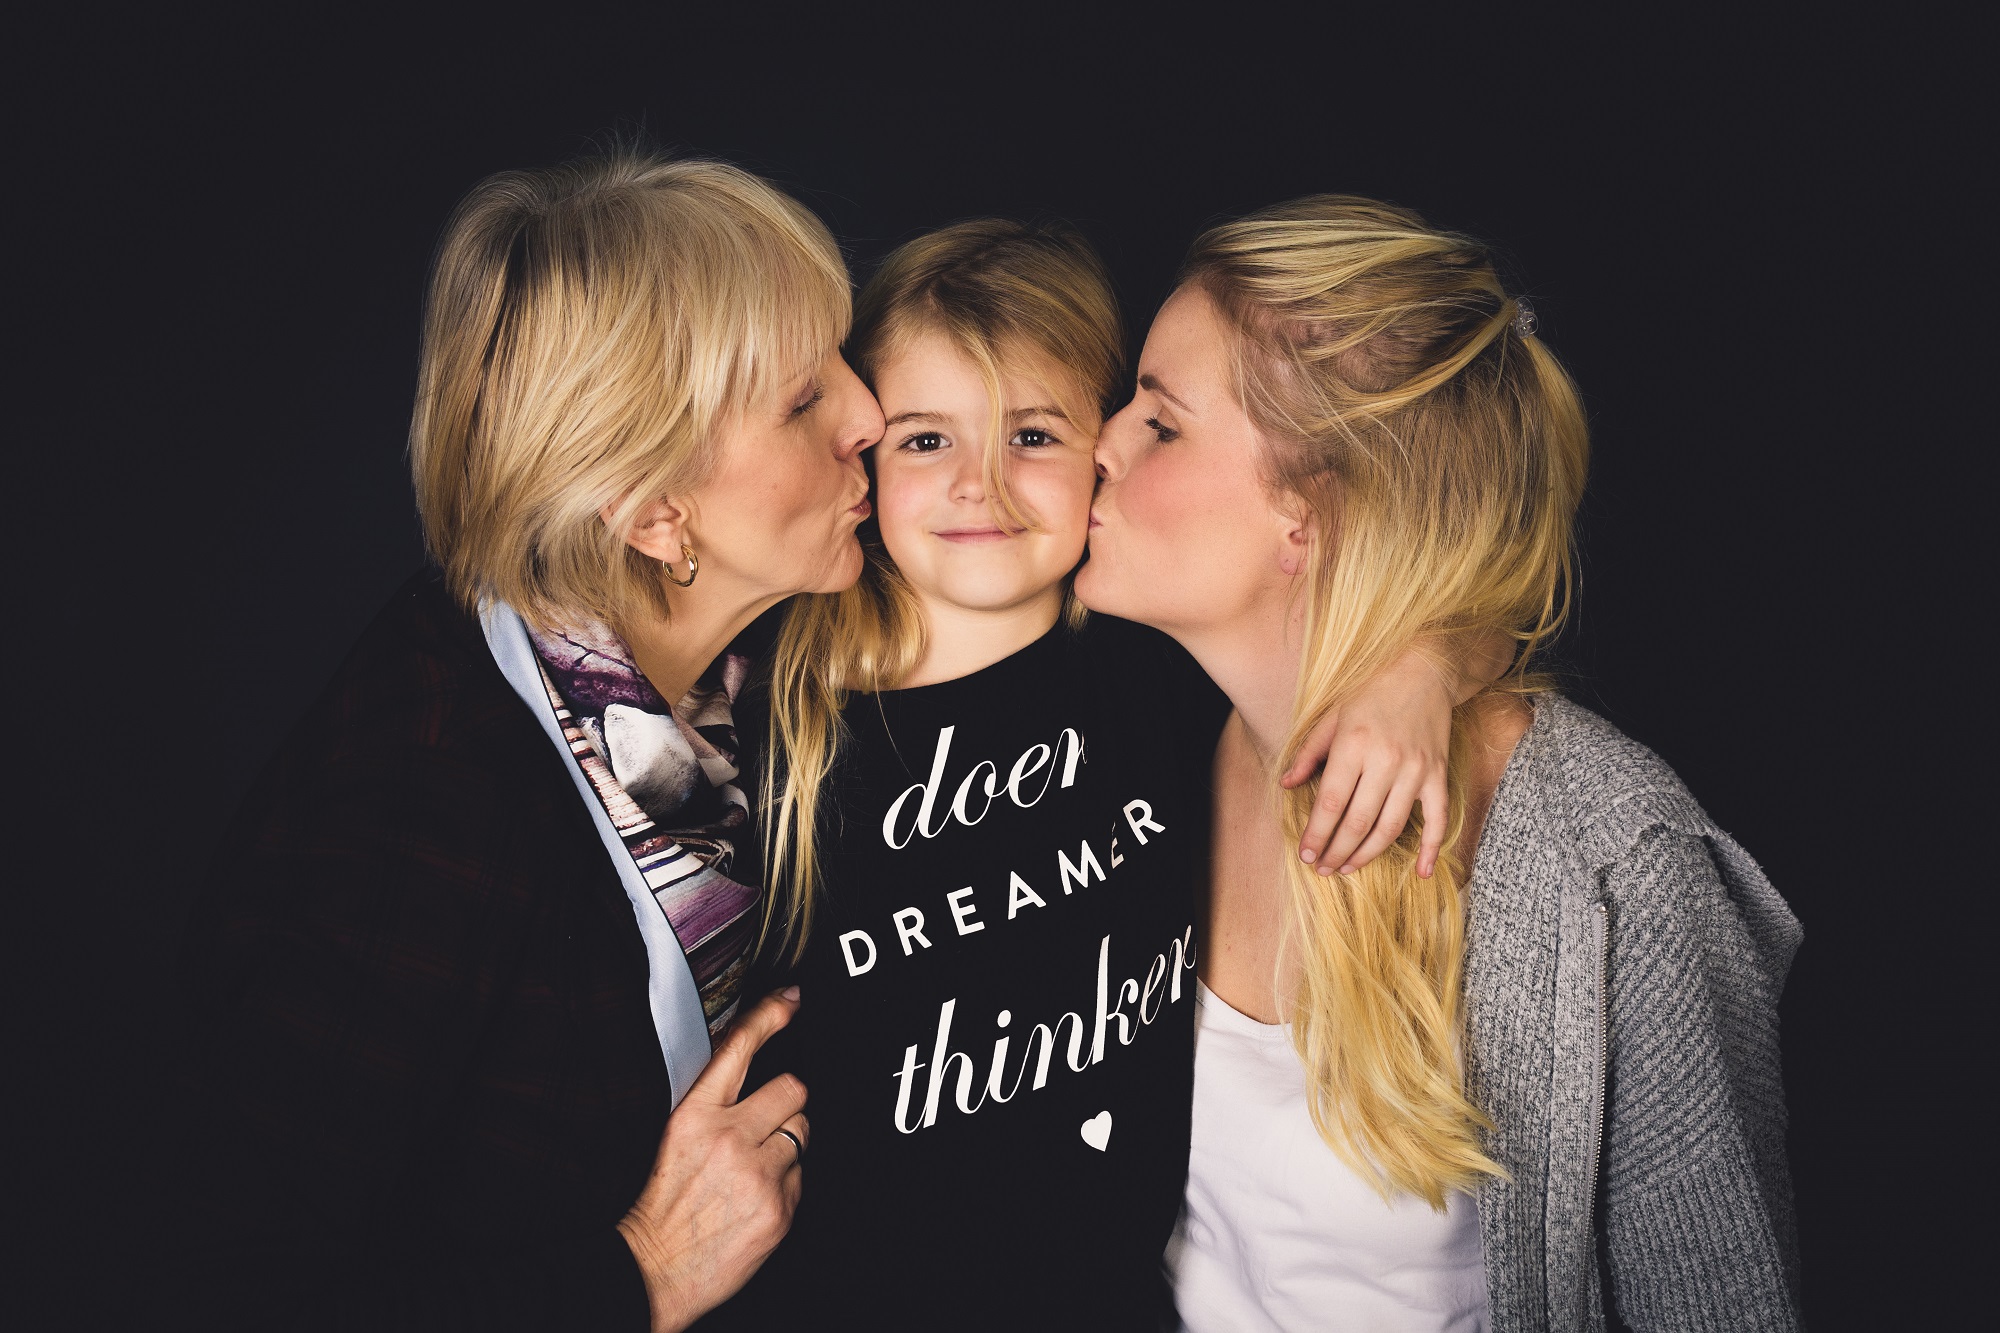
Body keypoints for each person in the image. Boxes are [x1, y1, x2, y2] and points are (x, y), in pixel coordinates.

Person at [711, 220, 1480, 1330]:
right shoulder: (783, 700)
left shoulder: (1157, 665)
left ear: (1105, 451)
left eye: (1032, 434)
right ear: (864, 457)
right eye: (925, 441)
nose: (978, 484)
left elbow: (1447, 574)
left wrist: (1421, 666)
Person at [163, 150, 881, 1332]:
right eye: (804, 401)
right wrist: (643, 1273)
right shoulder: (422, 797)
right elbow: (236, 1295)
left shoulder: (728, 667)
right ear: (655, 512)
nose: (868, 415)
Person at [1078, 197, 1802, 1332]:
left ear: (1310, 515)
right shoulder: (1156, 737)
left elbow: (1717, 1303)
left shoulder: (1607, 860)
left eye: (1160, 423)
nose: (1100, 442)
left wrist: (1432, 661)